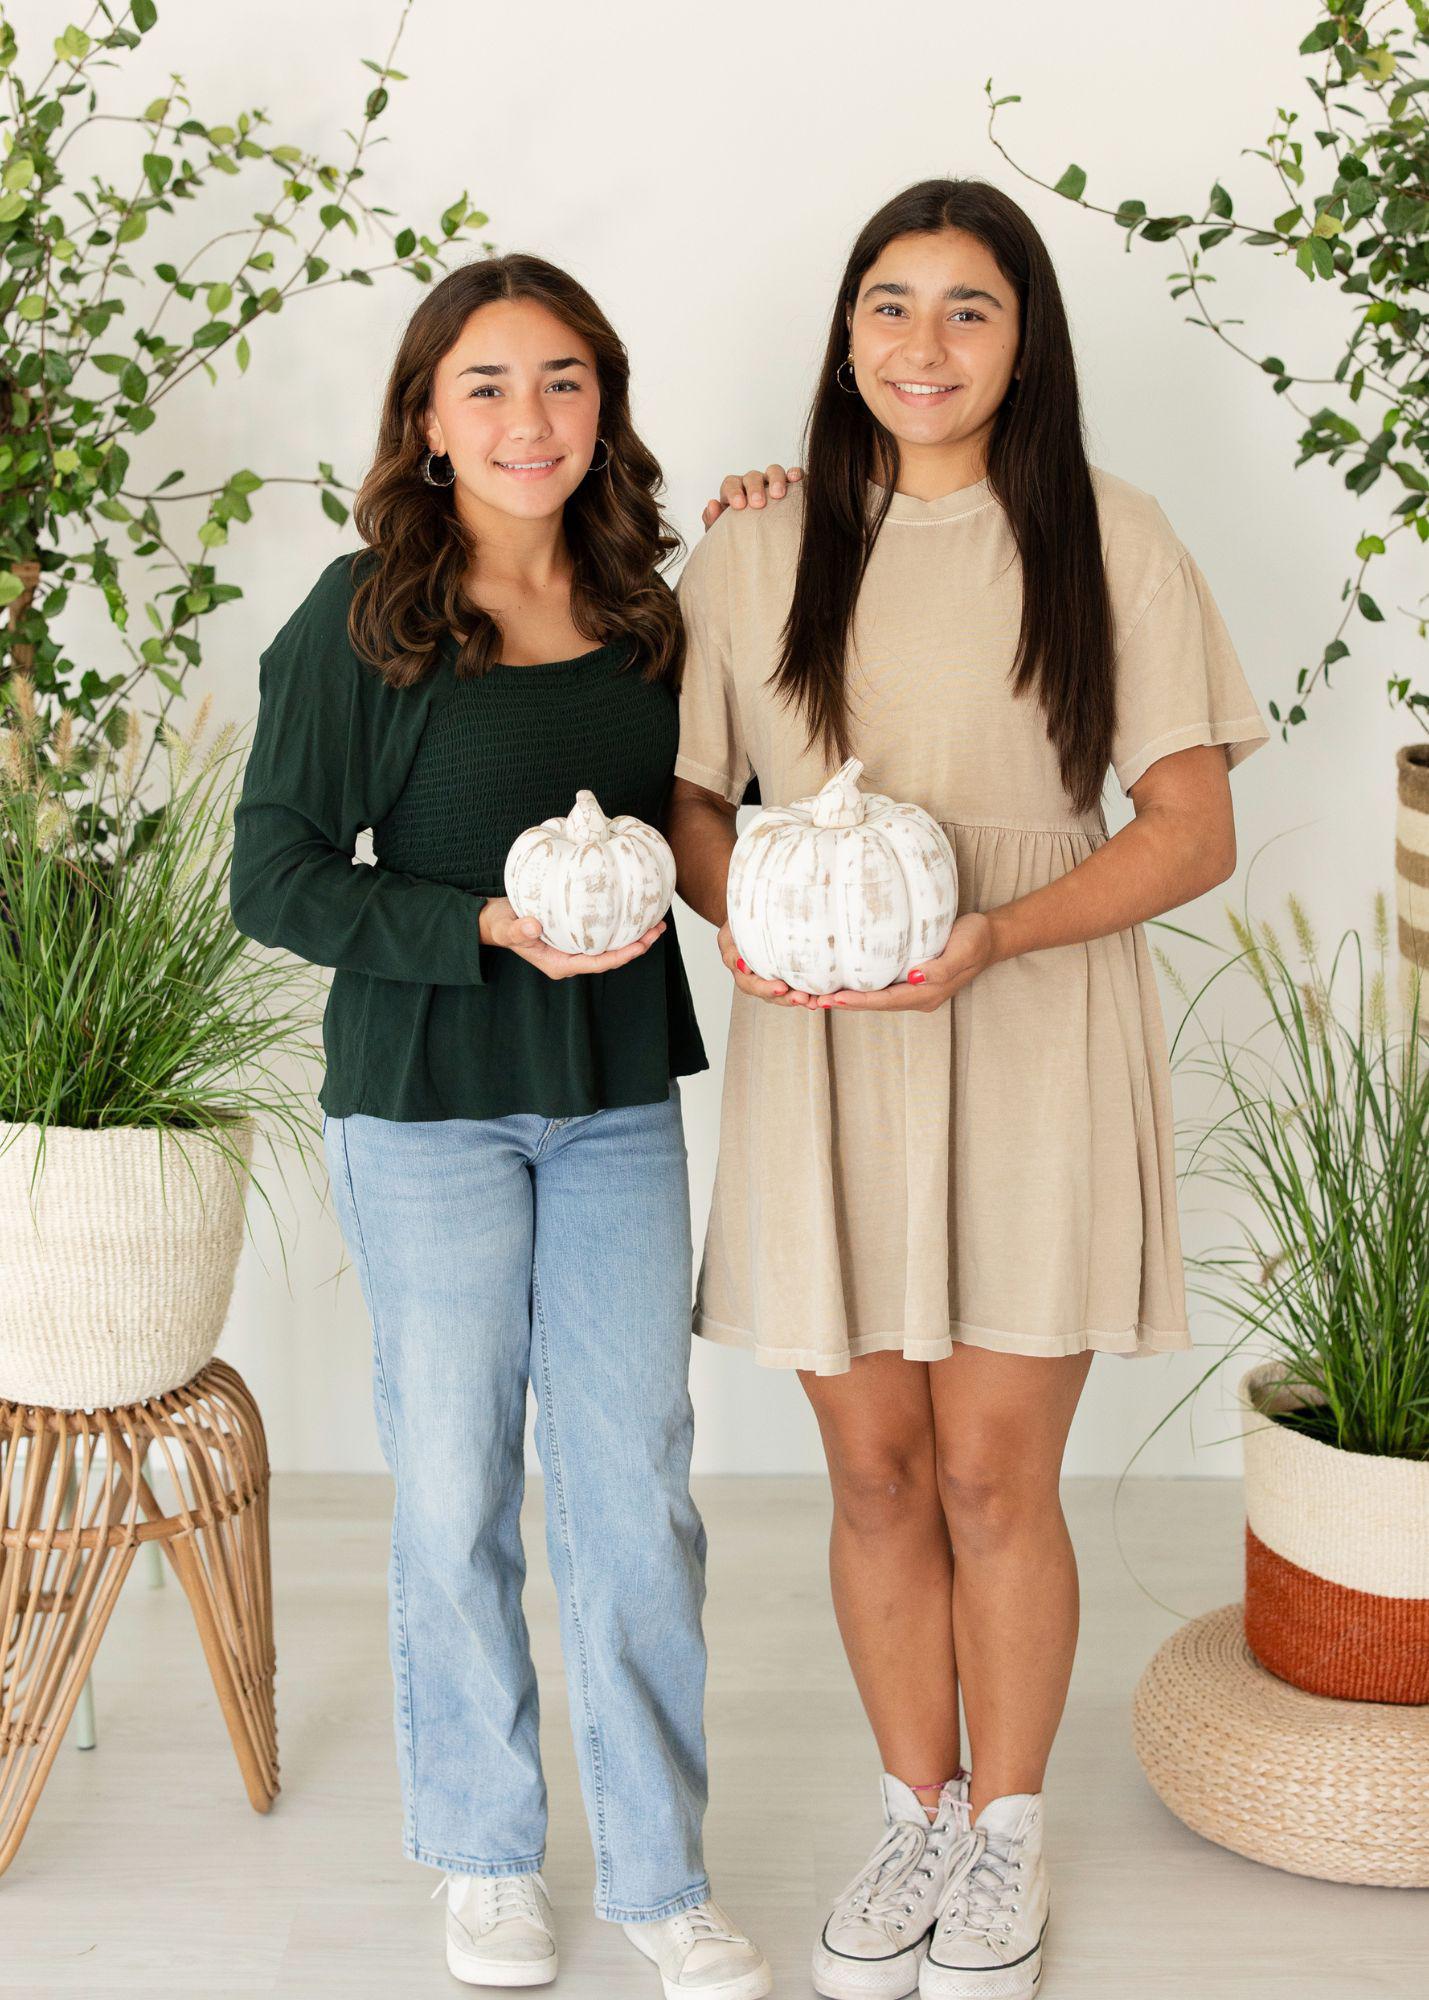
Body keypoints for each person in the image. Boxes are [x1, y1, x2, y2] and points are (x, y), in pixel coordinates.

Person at [673, 178, 1270, 2000]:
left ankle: (1003, 1838)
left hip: (1026, 1032)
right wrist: (750, 919)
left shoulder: (1109, 536)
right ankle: (911, 1806)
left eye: (967, 310)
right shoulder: (753, 553)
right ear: (843, 329)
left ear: (1027, 343)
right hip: (827, 1046)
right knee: (871, 1478)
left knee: (998, 1479)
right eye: (888, 304)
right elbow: (695, 802)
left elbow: (1191, 833)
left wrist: (996, 937)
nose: (920, 345)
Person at [229, 252, 772, 2000]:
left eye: (560, 381)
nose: (525, 417)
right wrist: (474, 924)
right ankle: (481, 1857)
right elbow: (275, 875)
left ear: (601, 404)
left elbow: (729, 807)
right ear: (425, 415)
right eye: (486, 383)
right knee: (454, 1487)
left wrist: (774, 534)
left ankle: (660, 1870)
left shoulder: (658, 615)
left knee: (633, 1492)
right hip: (427, 1108)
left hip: (614, 1100)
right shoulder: (363, 615)